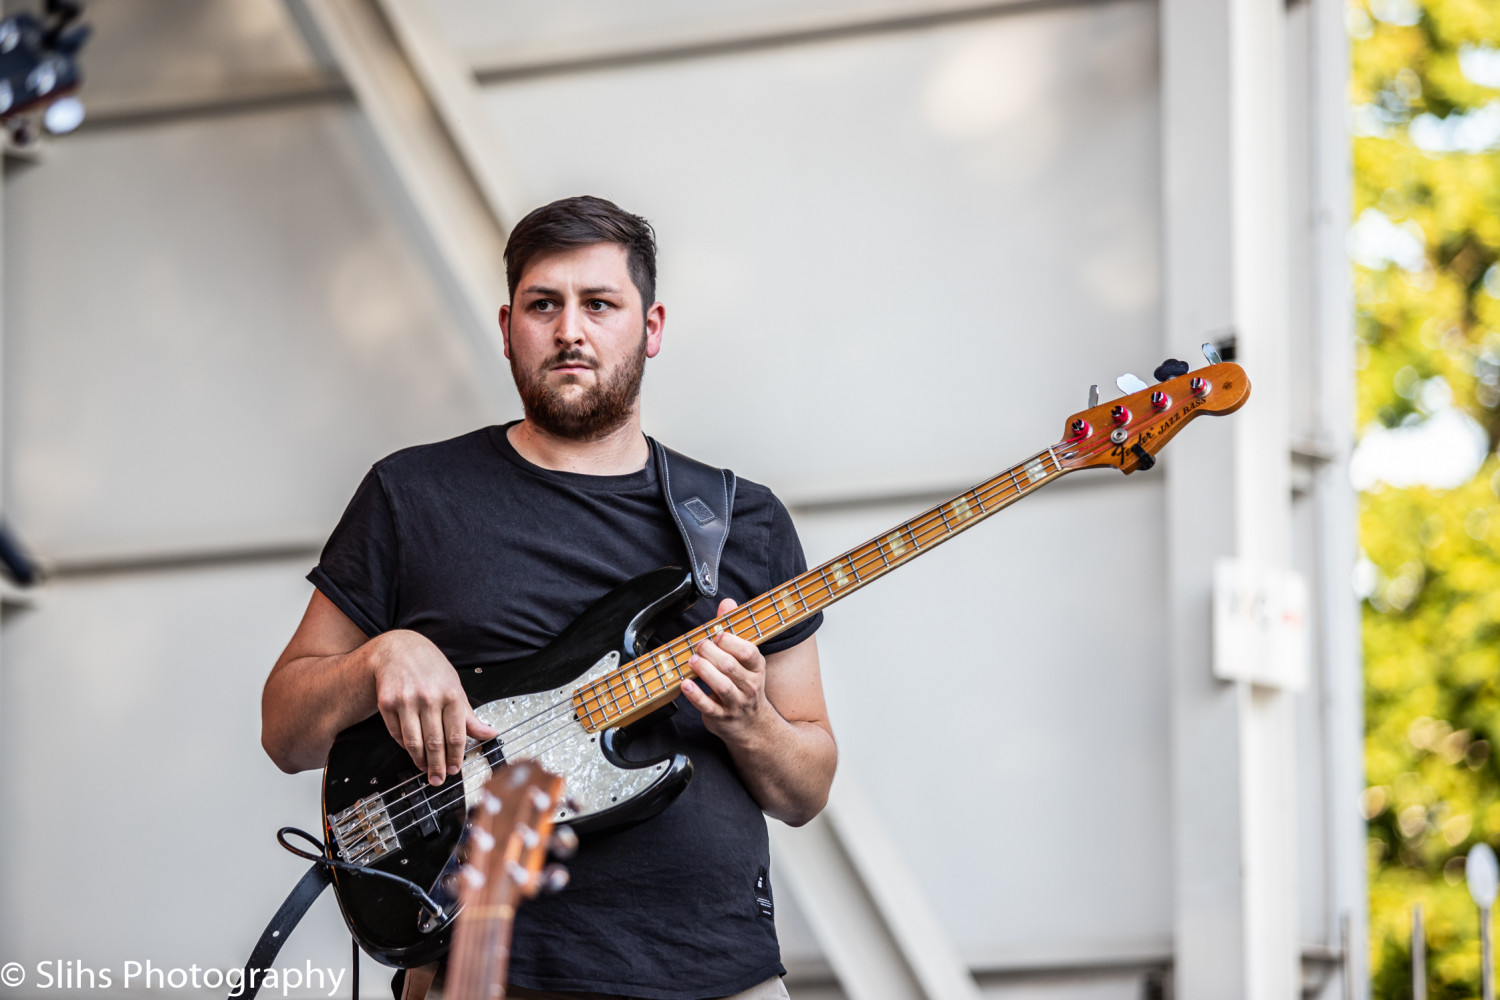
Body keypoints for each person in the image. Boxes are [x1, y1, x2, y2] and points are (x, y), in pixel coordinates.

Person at [260, 196, 838, 1000]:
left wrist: (751, 721)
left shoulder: (741, 521)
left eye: (600, 304)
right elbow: (286, 731)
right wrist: (377, 659)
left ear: (653, 327)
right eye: (544, 305)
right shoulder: (412, 495)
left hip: (717, 973)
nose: (571, 329)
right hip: (486, 969)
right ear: (507, 329)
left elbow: (806, 790)